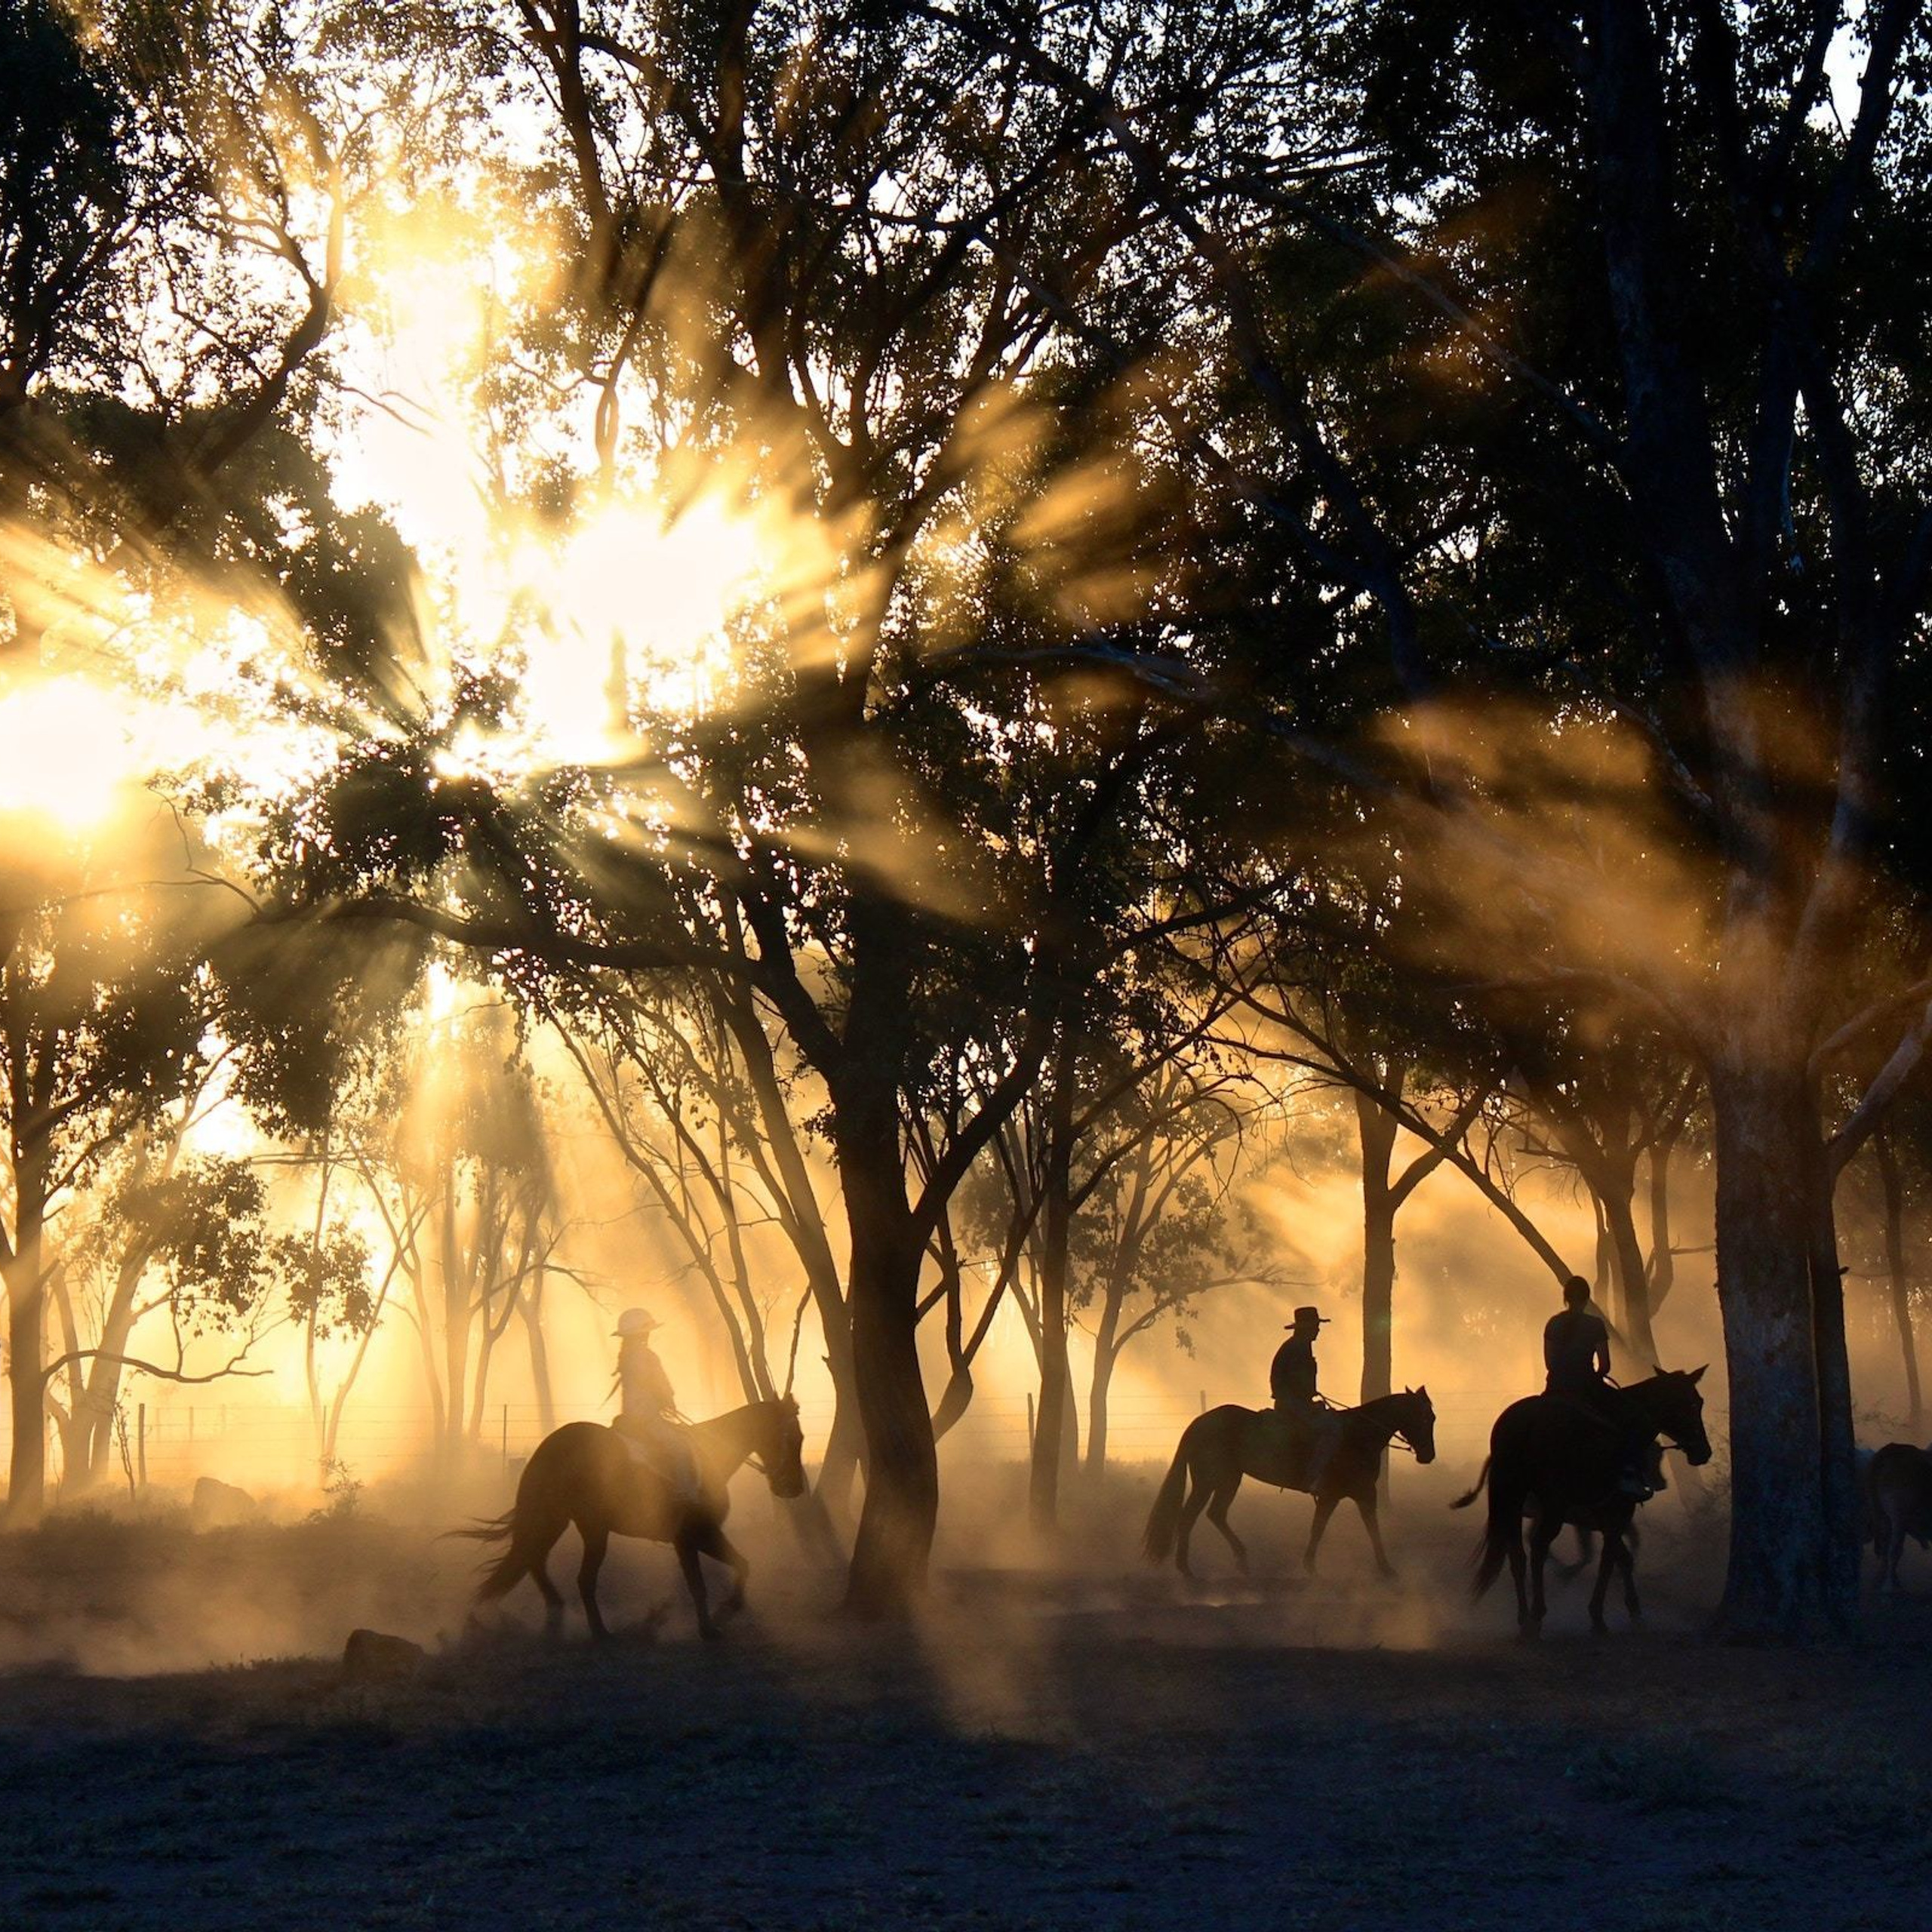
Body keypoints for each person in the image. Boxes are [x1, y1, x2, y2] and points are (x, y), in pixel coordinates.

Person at [1543, 1275, 1652, 1498]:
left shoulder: (1553, 1323)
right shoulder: (1594, 1325)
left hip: (1555, 1387)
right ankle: (1628, 1474)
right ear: (1586, 1299)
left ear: (1566, 1298)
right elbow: (1605, 1365)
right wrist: (1593, 1376)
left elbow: (1549, 1363)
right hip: (1587, 1387)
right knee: (1633, 1417)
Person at [611, 1308, 701, 1503]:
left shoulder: (625, 1355)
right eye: (647, 1331)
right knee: (680, 1447)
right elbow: (661, 1385)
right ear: (642, 1333)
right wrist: (668, 1401)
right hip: (646, 1417)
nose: (649, 1334)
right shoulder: (647, 1356)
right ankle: (685, 1493)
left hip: (629, 1415)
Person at [1270, 1305, 1340, 1489]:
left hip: (1295, 1402)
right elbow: (1290, 1383)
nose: (1318, 1330)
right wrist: (1307, 1403)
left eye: (1318, 1326)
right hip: (1291, 1404)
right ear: (1306, 1328)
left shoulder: (1299, 1346)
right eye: (1315, 1326)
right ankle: (1311, 1478)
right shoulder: (1297, 1348)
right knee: (1331, 1428)